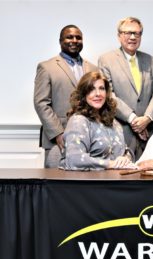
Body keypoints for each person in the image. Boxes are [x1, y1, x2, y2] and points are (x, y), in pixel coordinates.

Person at [34, 24, 98, 168]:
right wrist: (58, 133)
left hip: (89, 139)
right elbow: (41, 103)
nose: (74, 40)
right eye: (69, 37)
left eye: (78, 38)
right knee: (56, 185)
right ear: (60, 41)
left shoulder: (93, 68)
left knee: (85, 187)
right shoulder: (46, 67)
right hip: (58, 140)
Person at [98, 17, 153, 160]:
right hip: (120, 132)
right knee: (121, 178)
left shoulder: (151, 61)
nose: (132, 37)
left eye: (137, 33)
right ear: (119, 35)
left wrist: (147, 118)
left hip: (148, 133)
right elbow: (108, 94)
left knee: (149, 178)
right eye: (128, 33)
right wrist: (133, 119)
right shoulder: (106, 60)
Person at [59, 71, 135, 171]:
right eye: (91, 89)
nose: (98, 94)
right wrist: (111, 164)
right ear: (83, 93)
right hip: (90, 183)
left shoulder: (114, 122)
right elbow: (75, 159)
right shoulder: (78, 121)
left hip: (115, 181)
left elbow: (125, 151)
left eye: (101, 89)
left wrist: (124, 159)